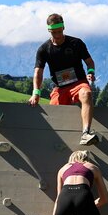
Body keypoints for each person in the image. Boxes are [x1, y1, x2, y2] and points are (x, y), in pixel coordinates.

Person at [32, 14, 98, 146]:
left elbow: (90, 63)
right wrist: (36, 92)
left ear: (63, 27)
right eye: (54, 32)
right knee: (54, 113)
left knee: (87, 93)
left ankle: (86, 133)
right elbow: (38, 72)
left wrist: (90, 72)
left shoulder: (76, 43)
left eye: (59, 31)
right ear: (49, 31)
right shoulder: (44, 49)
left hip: (78, 83)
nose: (57, 35)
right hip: (60, 88)